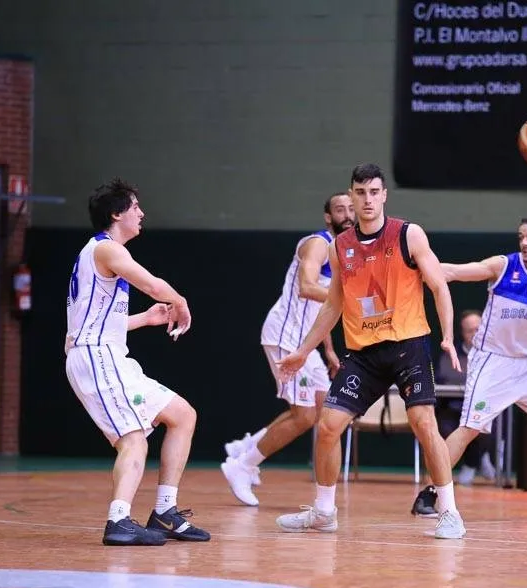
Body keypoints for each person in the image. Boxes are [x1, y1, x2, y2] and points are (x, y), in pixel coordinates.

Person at [274, 162, 467, 539]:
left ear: (383, 196)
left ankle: (449, 512)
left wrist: (446, 335)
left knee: (424, 423)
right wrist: (302, 351)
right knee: (328, 426)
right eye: (359, 193)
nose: (367, 200)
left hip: (408, 344)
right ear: (351, 196)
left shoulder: (408, 235)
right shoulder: (338, 247)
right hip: (364, 354)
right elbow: (332, 305)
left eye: (373, 192)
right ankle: (324, 512)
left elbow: (439, 285)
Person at [410, 212, 527, 518]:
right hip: (492, 361)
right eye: (521, 237)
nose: (525, 243)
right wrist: (418, 266)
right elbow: (454, 272)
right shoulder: (504, 266)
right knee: (469, 429)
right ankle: (429, 492)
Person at [64, 178, 210, 546]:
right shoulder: (106, 250)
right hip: (97, 358)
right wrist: (180, 302)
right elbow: (153, 284)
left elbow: (99, 322)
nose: (141, 213)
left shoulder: (103, 256)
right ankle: (118, 520)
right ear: (116, 214)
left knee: (183, 415)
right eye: (134, 207)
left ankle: (164, 513)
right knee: (134, 440)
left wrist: (145, 319)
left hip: (109, 354)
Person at [221, 193, 355, 506]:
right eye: (340, 209)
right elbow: (307, 288)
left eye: (351, 209)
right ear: (328, 217)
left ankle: (248, 446)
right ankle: (243, 465)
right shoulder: (317, 244)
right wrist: (350, 302)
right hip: (286, 336)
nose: (347, 215)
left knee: (320, 409)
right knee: (306, 416)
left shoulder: (345, 253)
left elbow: (324, 311)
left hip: (307, 341)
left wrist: (329, 349)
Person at [433, 310, 497, 487]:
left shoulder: (493, 355)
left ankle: (471, 464)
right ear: (462, 333)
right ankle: (478, 460)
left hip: (481, 407)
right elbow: (446, 376)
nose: (475, 334)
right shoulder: (449, 354)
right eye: (470, 330)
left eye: (478, 329)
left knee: (487, 424)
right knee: (446, 428)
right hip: (452, 407)